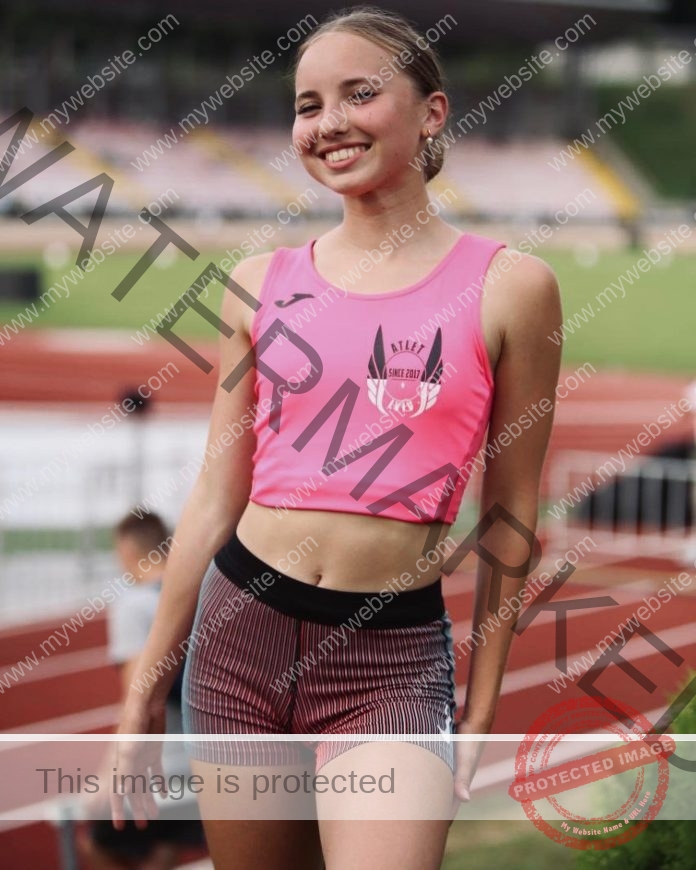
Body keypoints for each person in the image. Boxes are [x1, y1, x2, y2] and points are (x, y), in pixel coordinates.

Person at [111, 7, 563, 869]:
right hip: (238, 641)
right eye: (308, 104)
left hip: (389, 657)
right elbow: (213, 497)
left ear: (432, 113)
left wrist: (485, 698)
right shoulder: (257, 285)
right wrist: (143, 697)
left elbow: (512, 511)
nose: (329, 124)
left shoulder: (513, 287)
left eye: (360, 94)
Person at [80, 512, 203, 869]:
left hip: (159, 764)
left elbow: (138, 699)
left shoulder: (135, 606)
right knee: (166, 843)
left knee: (94, 845)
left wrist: (110, 774)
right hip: (211, 754)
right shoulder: (201, 593)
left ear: (126, 549)